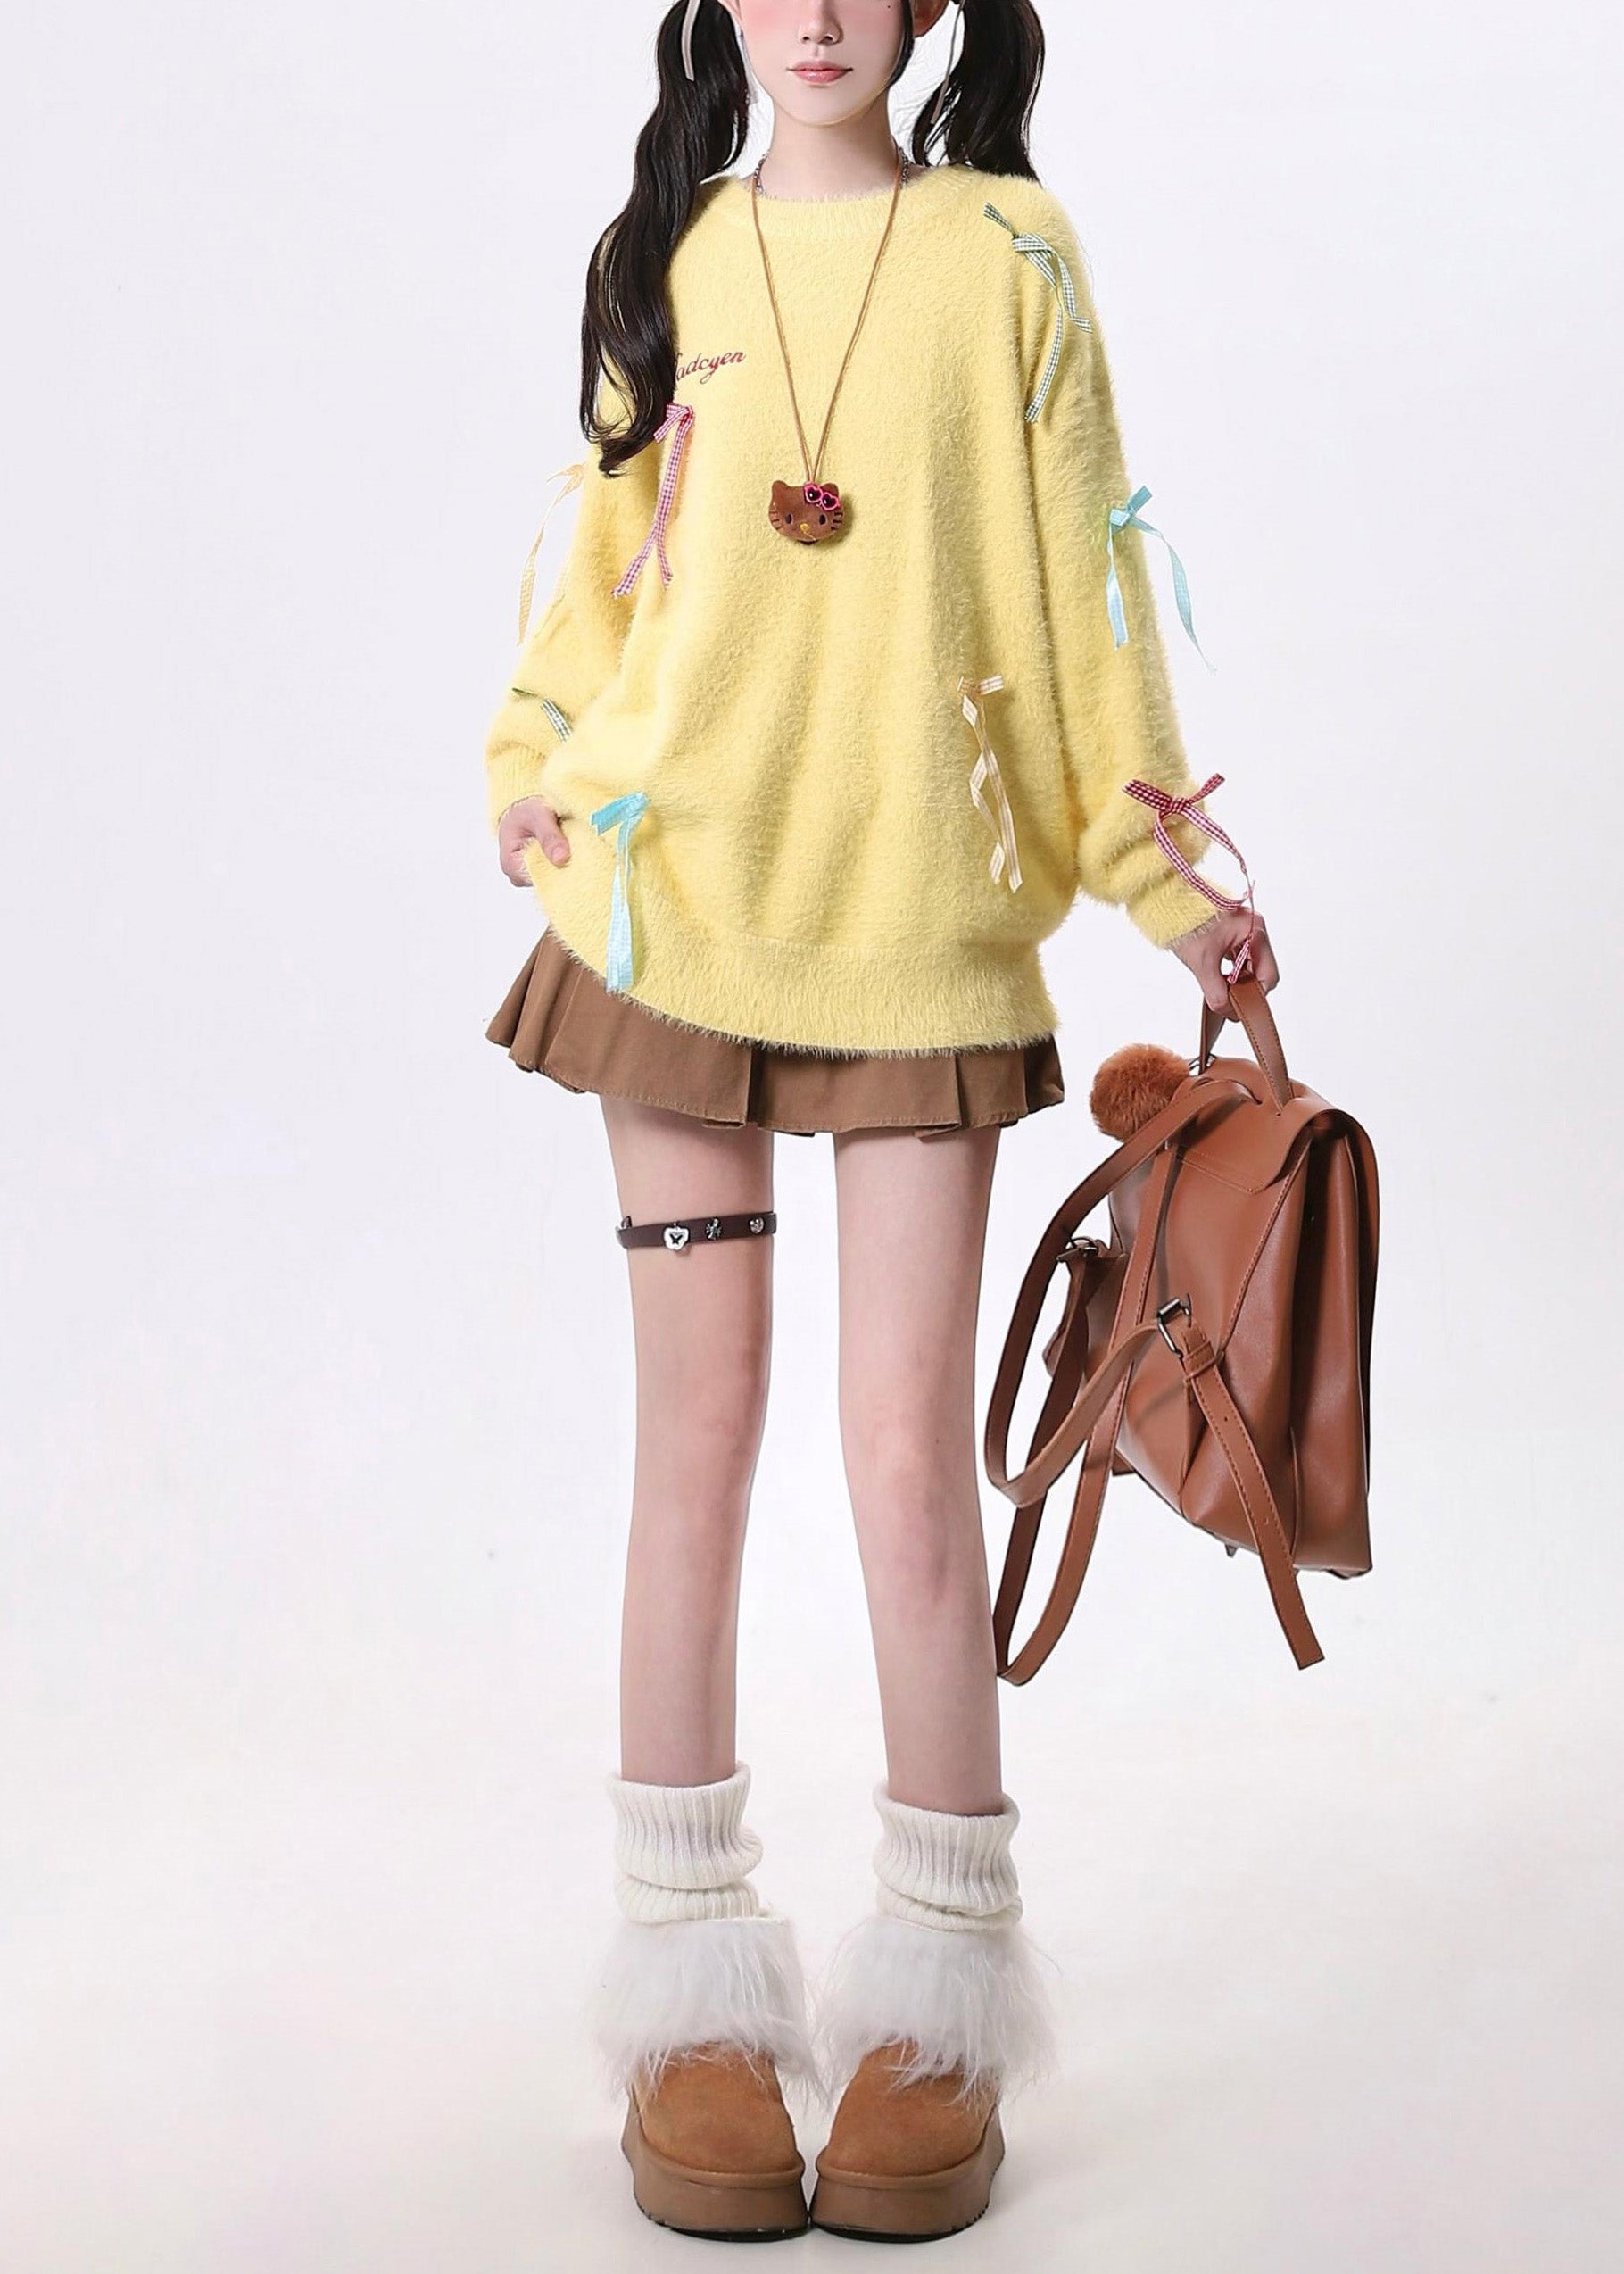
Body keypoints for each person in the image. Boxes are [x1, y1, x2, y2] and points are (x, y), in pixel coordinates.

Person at [479, 0, 1279, 2243]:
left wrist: (1166, 879)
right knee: (693, 1439)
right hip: (664, 911)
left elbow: (1086, 600)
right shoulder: (666, 246)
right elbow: (596, 558)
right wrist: (529, 763)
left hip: (918, 937)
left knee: (910, 1459)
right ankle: (689, 1996)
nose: (817, 13)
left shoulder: (1008, 256)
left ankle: (939, 1986)